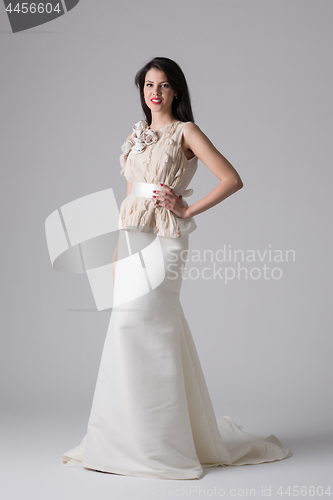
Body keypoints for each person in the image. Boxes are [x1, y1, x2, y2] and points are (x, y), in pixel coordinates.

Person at [61, 57, 291, 480]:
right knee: (127, 332)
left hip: (165, 239)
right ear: (142, 91)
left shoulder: (186, 132)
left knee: (151, 330)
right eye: (149, 84)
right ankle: (122, 438)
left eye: (164, 85)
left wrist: (186, 208)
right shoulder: (137, 136)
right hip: (132, 237)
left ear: (176, 92)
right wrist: (116, 250)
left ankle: (159, 446)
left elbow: (231, 178)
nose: (155, 92)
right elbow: (131, 192)